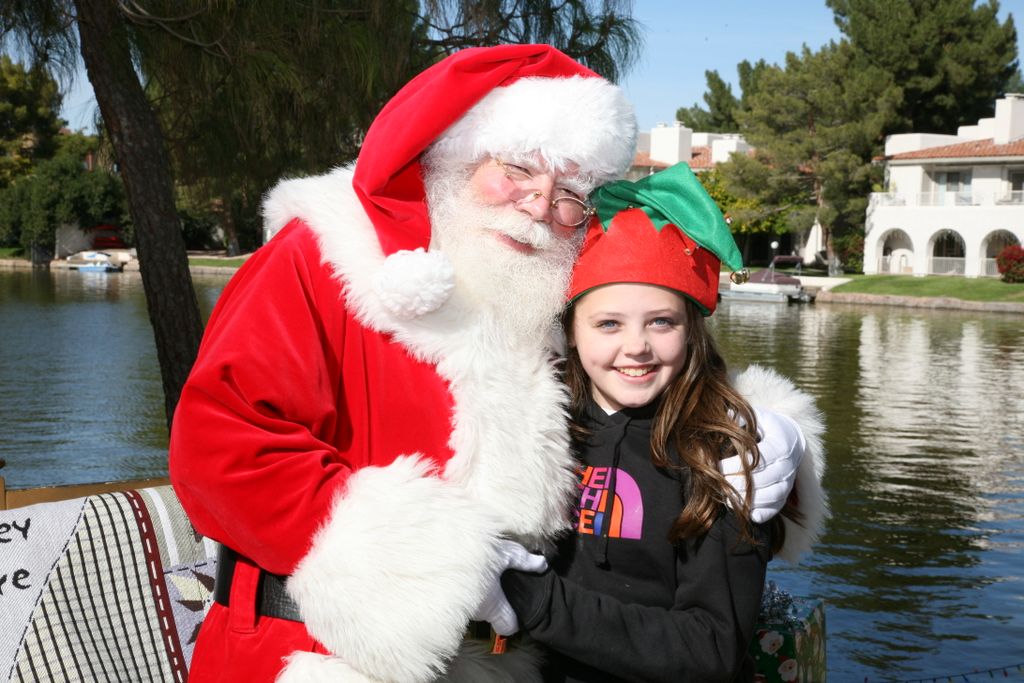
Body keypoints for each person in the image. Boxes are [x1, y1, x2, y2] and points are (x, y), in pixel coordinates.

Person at [168, 45, 812, 683]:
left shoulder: (546, 299)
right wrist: (432, 558)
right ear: (456, 156)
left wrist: (762, 425)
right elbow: (220, 446)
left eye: (569, 193)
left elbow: (640, 390)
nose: (539, 205)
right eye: (519, 169)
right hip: (312, 654)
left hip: (508, 662)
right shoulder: (325, 255)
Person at [498, 163, 828, 682]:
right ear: (571, 331)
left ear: (691, 328)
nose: (636, 346)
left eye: (661, 321)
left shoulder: (726, 457)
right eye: (608, 323)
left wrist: (535, 601)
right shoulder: (539, 427)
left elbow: (711, 651)